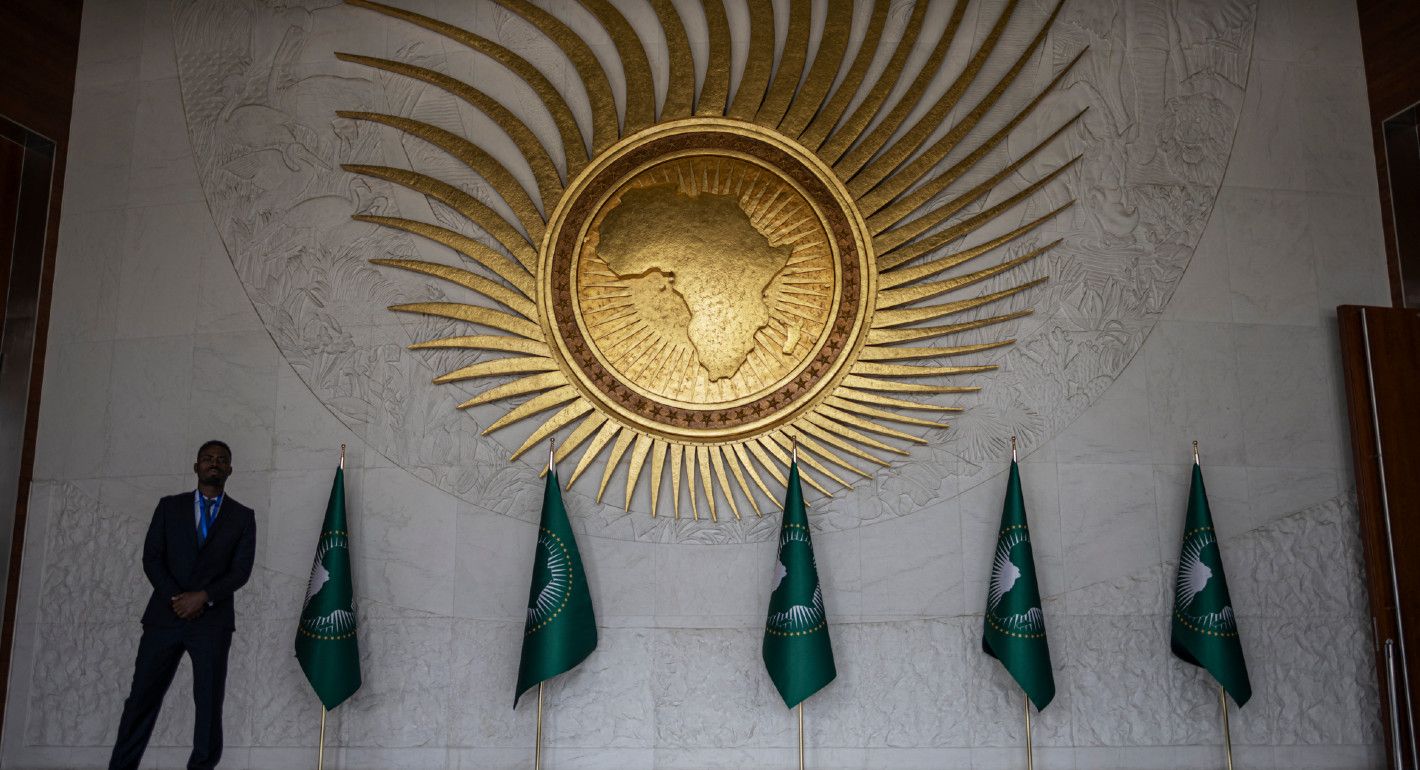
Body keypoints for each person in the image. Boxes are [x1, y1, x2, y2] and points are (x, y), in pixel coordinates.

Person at [108, 440, 257, 770]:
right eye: (207, 459)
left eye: (221, 460)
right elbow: (152, 558)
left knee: (207, 704)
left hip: (212, 621)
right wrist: (178, 598)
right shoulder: (168, 507)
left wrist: (203, 597)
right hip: (165, 616)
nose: (214, 464)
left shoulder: (243, 517)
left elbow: (241, 571)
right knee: (141, 699)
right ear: (196, 466)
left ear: (230, 469)